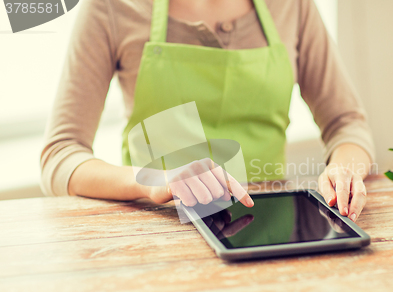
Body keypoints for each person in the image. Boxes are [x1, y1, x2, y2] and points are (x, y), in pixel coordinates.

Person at [41, 0, 375, 221]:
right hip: (156, 236)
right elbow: (59, 154)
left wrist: (344, 169)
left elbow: (346, 122)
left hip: (269, 231)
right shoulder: (112, 7)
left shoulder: (291, 5)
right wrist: (151, 181)